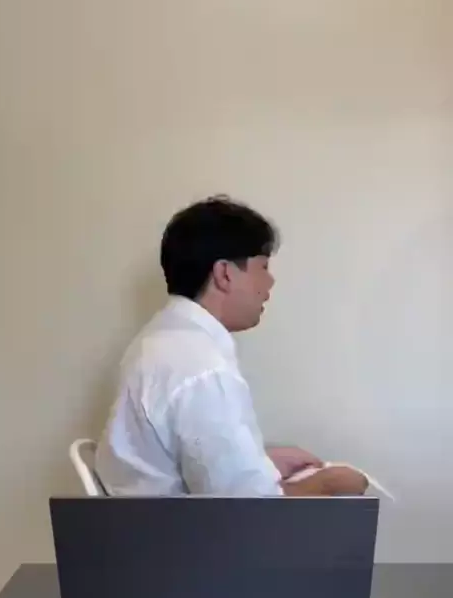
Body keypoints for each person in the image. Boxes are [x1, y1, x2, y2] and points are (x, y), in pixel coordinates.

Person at [96, 196, 367, 497]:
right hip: (179, 528)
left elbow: (196, 464)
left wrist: (262, 462)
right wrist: (329, 483)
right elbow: (248, 509)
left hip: (142, 521)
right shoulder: (202, 367)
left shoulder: (160, 339)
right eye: (263, 267)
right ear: (224, 274)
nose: (270, 282)